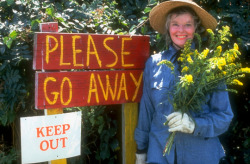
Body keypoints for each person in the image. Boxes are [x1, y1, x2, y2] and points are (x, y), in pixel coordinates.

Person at [134, 0, 234, 164]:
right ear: (168, 28)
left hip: (201, 157)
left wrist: (195, 125)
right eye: (175, 24)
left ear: (196, 28)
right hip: (159, 156)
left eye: (188, 24)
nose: (181, 30)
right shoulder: (154, 64)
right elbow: (146, 112)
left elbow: (224, 117)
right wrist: (141, 151)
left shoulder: (211, 65)